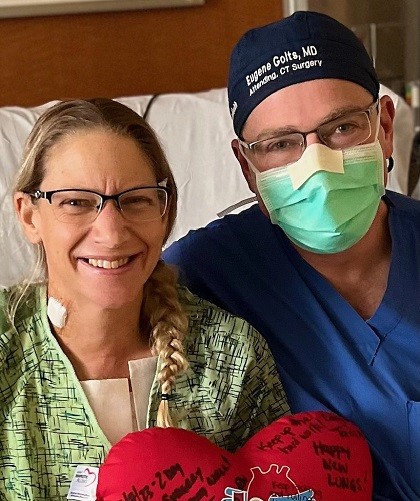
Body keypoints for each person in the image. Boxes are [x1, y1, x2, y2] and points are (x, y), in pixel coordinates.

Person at [0, 98, 288, 499]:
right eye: (76, 202)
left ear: (165, 213)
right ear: (29, 216)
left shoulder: (230, 358)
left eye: (136, 200)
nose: (111, 234)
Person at [165, 12, 420, 501]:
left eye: (342, 128)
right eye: (281, 144)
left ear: (384, 128)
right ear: (247, 166)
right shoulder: (208, 272)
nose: (317, 165)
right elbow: (93, 310)